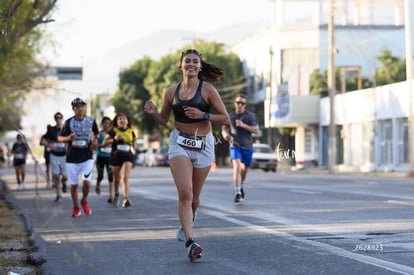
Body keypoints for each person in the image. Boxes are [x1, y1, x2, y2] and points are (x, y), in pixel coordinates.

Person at [144, 49, 230, 262]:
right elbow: (164, 119)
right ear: (180, 66)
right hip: (179, 143)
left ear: (200, 67)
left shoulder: (207, 90)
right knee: (185, 193)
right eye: (187, 61)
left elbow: (226, 118)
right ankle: (190, 242)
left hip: (203, 144)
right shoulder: (170, 92)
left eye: (195, 61)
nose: (191, 64)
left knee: (195, 198)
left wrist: (204, 115)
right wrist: (153, 112)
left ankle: (190, 217)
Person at [58, 97, 99, 217]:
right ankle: (76, 207)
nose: (80, 108)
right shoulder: (68, 122)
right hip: (72, 157)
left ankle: (84, 201)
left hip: (87, 155)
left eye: (82, 106)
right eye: (77, 107)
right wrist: (68, 138)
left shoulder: (91, 120)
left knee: (86, 182)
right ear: (73, 109)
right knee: (74, 185)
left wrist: (95, 141)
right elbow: (60, 138)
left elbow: (97, 133)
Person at [221, 93, 259, 203]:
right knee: (237, 166)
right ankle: (238, 192)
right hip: (234, 145)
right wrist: (225, 134)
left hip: (247, 146)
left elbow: (256, 130)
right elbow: (224, 128)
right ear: (235, 104)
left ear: (245, 105)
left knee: (244, 169)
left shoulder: (250, 116)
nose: (240, 105)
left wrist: (243, 125)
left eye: (242, 103)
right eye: (238, 103)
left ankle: (240, 184)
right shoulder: (230, 116)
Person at [102, 112, 136, 208]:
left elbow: (134, 142)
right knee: (117, 179)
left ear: (127, 121)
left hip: (127, 156)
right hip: (116, 156)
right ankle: (116, 194)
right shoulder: (113, 130)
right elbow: (104, 142)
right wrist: (114, 139)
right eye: (119, 119)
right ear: (117, 122)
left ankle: (126, 198)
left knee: (125, 178)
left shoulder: (131, 131)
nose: (122, 120)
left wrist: (134, 149)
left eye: (124, 118)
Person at [42, 112, 68, 202]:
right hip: (54, 155)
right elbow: (42, 140)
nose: (58, 119)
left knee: (65, 176)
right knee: (56, 176)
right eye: (57, 118)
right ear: (55, 119)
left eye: (60, 118)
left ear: (62, 118)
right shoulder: (51, 129)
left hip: (64, 156)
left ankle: (64, 182)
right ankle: (58, 195)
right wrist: (49, 145)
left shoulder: (67, 129)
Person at [95, 116, 114, 203]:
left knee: (110, 177)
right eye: (105, 123)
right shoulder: (99, 134)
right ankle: (98, 184)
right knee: (101, 176)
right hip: (100, 157)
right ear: (102, 124)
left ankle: (111, 196)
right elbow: (94, 145)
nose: (107, 125)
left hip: (110, 158)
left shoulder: (113, 134)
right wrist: (102, 145)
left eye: (109, 123)